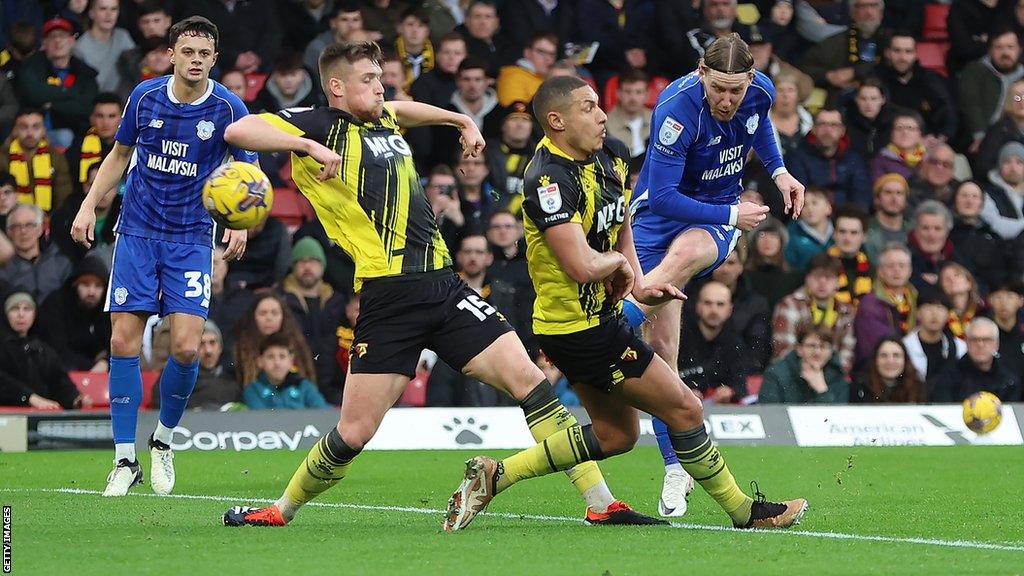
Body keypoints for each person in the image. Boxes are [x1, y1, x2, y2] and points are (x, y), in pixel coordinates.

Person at [219, 41, 663, 528]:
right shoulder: (317, 124)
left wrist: (460, 121)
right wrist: (305, 145)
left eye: (380, 76)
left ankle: (600, 502)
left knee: (531, 383)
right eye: (368, 78)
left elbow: (403, 109)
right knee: (354, 432)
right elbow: (238, 128)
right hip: (389, 298)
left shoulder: (381, 117)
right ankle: (280, 510)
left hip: (445, 287)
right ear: (337, 87)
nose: (380, 85)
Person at [441, 74, 805, 530]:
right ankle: (745, 512)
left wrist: (639, 282)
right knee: (686, 409)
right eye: (589, 107)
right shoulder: (546, 179)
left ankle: (496, 475)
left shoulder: (610, 153)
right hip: (578, 327)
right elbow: (579, 264)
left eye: (599, 105)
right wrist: (621, 268)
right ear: (556, 121)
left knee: (617, 435)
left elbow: (623, 223)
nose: (601, 114)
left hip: (598, 319)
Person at [68, 16, 256, 498]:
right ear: (171, 53)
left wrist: (239, 225)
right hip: (137, 233)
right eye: (187, 51)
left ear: (215, 59)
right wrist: (90, 204)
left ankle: (164, 441)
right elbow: (118, 155)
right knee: (124, 342)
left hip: (192, 238)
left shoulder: (229, 108)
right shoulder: (144, 98)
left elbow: (247, 173)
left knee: (187, 347)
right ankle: (124, 458)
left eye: (204, 53)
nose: (195, 60)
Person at [620, 35, 805, 515]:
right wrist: (732, 213)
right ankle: (675, 467)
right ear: (701, 73)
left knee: (690, 250)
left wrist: (780, 171)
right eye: (718, 89)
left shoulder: (759, 90)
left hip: (711, 221)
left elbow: (759, 123)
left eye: (735, 90)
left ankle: (622, 313)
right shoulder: (676, 111)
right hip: (656, 222)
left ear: (749, 80)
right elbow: (660, 198)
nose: (727, 100)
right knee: (661, 355)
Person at [280, 237, 346, 404]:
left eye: (313, 261)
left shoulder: (338, 301)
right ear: (293, 266)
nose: (307, 267)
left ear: (322, 266)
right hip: (295, 381)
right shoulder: (280, 300)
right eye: (301, 261)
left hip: (335, 383)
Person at [0, 291, 91, 410]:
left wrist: (75, 398)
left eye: (27, 309)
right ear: (5, 314)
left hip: (41, 416)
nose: (21, 314)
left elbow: (58, 380)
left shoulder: (42, 349)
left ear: (34, 314)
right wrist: (30, 398)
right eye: (14, 308)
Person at [772, 253, 857, 372]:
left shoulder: (846, 311)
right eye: (817, 276)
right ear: (807, 278)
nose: (822, 282)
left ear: (838, 282)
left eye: (829, 277)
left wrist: (827, 377)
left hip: (832, 376)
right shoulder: (789, 304)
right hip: (794, 374)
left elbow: (847, 353)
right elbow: (784, 350)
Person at [35, 256, 111, 372]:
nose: (91, 292)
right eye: (85, 284)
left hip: (101, 372)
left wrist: (106, 361)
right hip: (61, 371)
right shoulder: (55, 304)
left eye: (98, 286)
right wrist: (93, 366)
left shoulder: (107, 307)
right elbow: (55, 348)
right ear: (74, 285)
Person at [229, 292, 317, 387]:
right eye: (263, 313)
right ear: (253, 317)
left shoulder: (298, 347)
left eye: (274, 313)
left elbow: (308, 382)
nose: (269, 318)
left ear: (283, 317)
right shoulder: (241, 348)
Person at [150, 320, 241, 411]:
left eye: (212, 343)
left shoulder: (232, 381)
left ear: (220, 348)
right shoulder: (176, 376)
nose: (208, 351)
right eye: (201, 344)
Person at [0, 108, 74, 214]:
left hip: (47, 219)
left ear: (44, 129)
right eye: (24, 127)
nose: (30, 133)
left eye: (36, 127)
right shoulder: (3, 156)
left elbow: (64, 196)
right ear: (15, 130)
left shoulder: (56, 157)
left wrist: (51, 220)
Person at [931, 317, 1022, 402]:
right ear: (967, 343)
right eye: (975, 339)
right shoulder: (949, 376)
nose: (980, 345)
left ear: (996, 344)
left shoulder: (1009, 379)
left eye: (986, 340)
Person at [854, 243, 918, 363]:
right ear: (880, 271)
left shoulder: (916, 298)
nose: (897, 270)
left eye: (902, 266)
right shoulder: (870, 303)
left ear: (910, 270)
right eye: (890, 266)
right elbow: (873, 347)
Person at [759, 322, 848, 404]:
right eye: (811, 346)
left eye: (823, 346)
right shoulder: (775, 375)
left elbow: (837, 419)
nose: (817, 352)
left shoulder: (838, 377)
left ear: (830, 351)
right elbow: (768, 413)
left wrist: (821, 390)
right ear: (799, 349)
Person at [0, 203, 72, 302]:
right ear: (9, 232)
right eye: (16, 226)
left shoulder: (61, 264)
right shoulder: (3, 270)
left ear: (40, 229)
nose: (23, 231)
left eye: (29, 225)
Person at [242, 333, 329, 410]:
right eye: (270, 357)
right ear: (260, 362)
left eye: (282, 356)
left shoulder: (305, 386)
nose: (277, 363)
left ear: (291, 361)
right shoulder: (253, 390)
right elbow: (259, 421)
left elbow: (321, 412)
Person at [902, 291, 965, 386]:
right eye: (928, 308)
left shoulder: (960, 347)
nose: (934, 314)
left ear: (948, 314)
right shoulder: (904, 346)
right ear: (918, 313)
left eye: (939, 308)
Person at [72, 0, 136, 93]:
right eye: (103, 9)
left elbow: (135, 71)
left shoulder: (123, 37)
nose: (108, 14)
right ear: (91, 13)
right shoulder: (80, 48)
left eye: (113, 9)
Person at [851, 337, 926, 403]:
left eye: (896, 355)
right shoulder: (860, 389)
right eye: (883, 355)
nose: (890, 361)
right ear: (875, 360)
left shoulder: (917, 388)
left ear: (905, 360)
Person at [828, 203, 873, 305]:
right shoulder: (821, 265)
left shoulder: (873, 269)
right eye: (842, 232)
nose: (847, 238)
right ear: (834, 234)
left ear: (864, 236)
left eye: (854, 233)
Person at [784, 186, 834, 273]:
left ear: (828, 208)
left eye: (815, 203)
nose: (810, 208)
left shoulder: (841, 232)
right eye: (804, 205)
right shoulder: (790, 235)